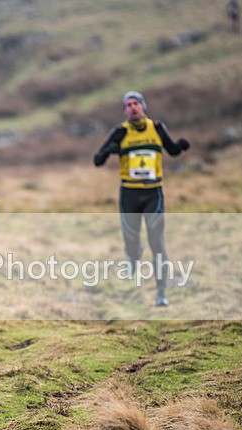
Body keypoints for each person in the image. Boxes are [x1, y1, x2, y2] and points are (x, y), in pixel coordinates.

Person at [93, 91, 190, 306]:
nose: (133, 107)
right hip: (129, 194)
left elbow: (172, 150)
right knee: (131, 238)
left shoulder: (156, 128)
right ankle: (133, 257)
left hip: (152, 193)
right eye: (128, 104)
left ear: (143, 106)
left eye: (136, 103)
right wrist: (109, 151)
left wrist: (181, 145)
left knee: (157, 242)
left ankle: (161, 293)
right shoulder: (120, 132)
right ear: (125, 110)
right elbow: (97, 160)